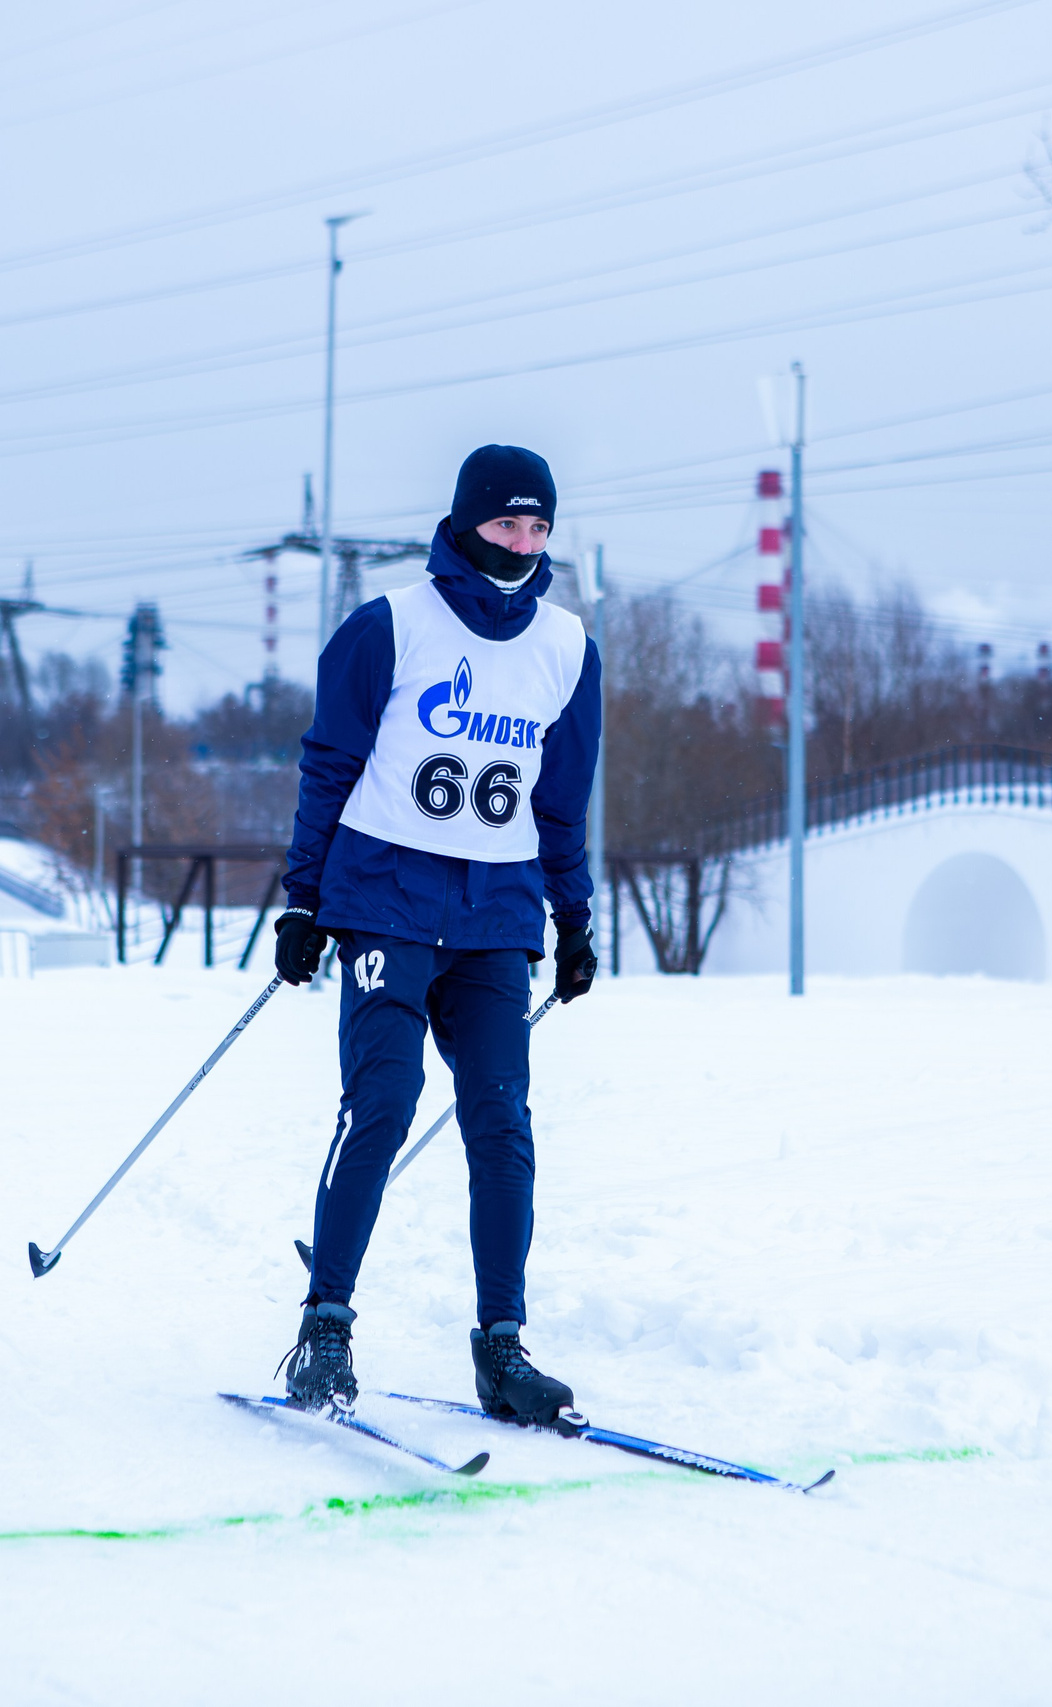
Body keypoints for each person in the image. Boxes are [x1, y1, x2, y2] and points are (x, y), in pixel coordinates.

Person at [272, 444, 602, 1425]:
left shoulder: (566, 648)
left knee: (500, 1119)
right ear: (467, 523)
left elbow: (561, 804)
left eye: (538, 527)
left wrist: (575, 918)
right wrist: (302, 900)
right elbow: (328, 766)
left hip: (497, 911)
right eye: (507, 524)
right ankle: (324, 1328)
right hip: (385, 894)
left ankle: (502, 1349)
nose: (522, 542)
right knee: (385, 1098)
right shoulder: (388, 628)